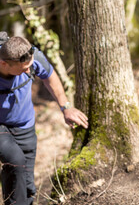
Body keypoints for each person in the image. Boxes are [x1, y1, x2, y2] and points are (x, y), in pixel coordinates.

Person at [0, 32, 88, 205]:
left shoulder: (32, 57)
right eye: (24, 68)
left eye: (30, 67)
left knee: (27, 184)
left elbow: (49, 75)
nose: (29, 71)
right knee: (15, 161)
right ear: (4, 63)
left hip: (25, 125)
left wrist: (66, 107)